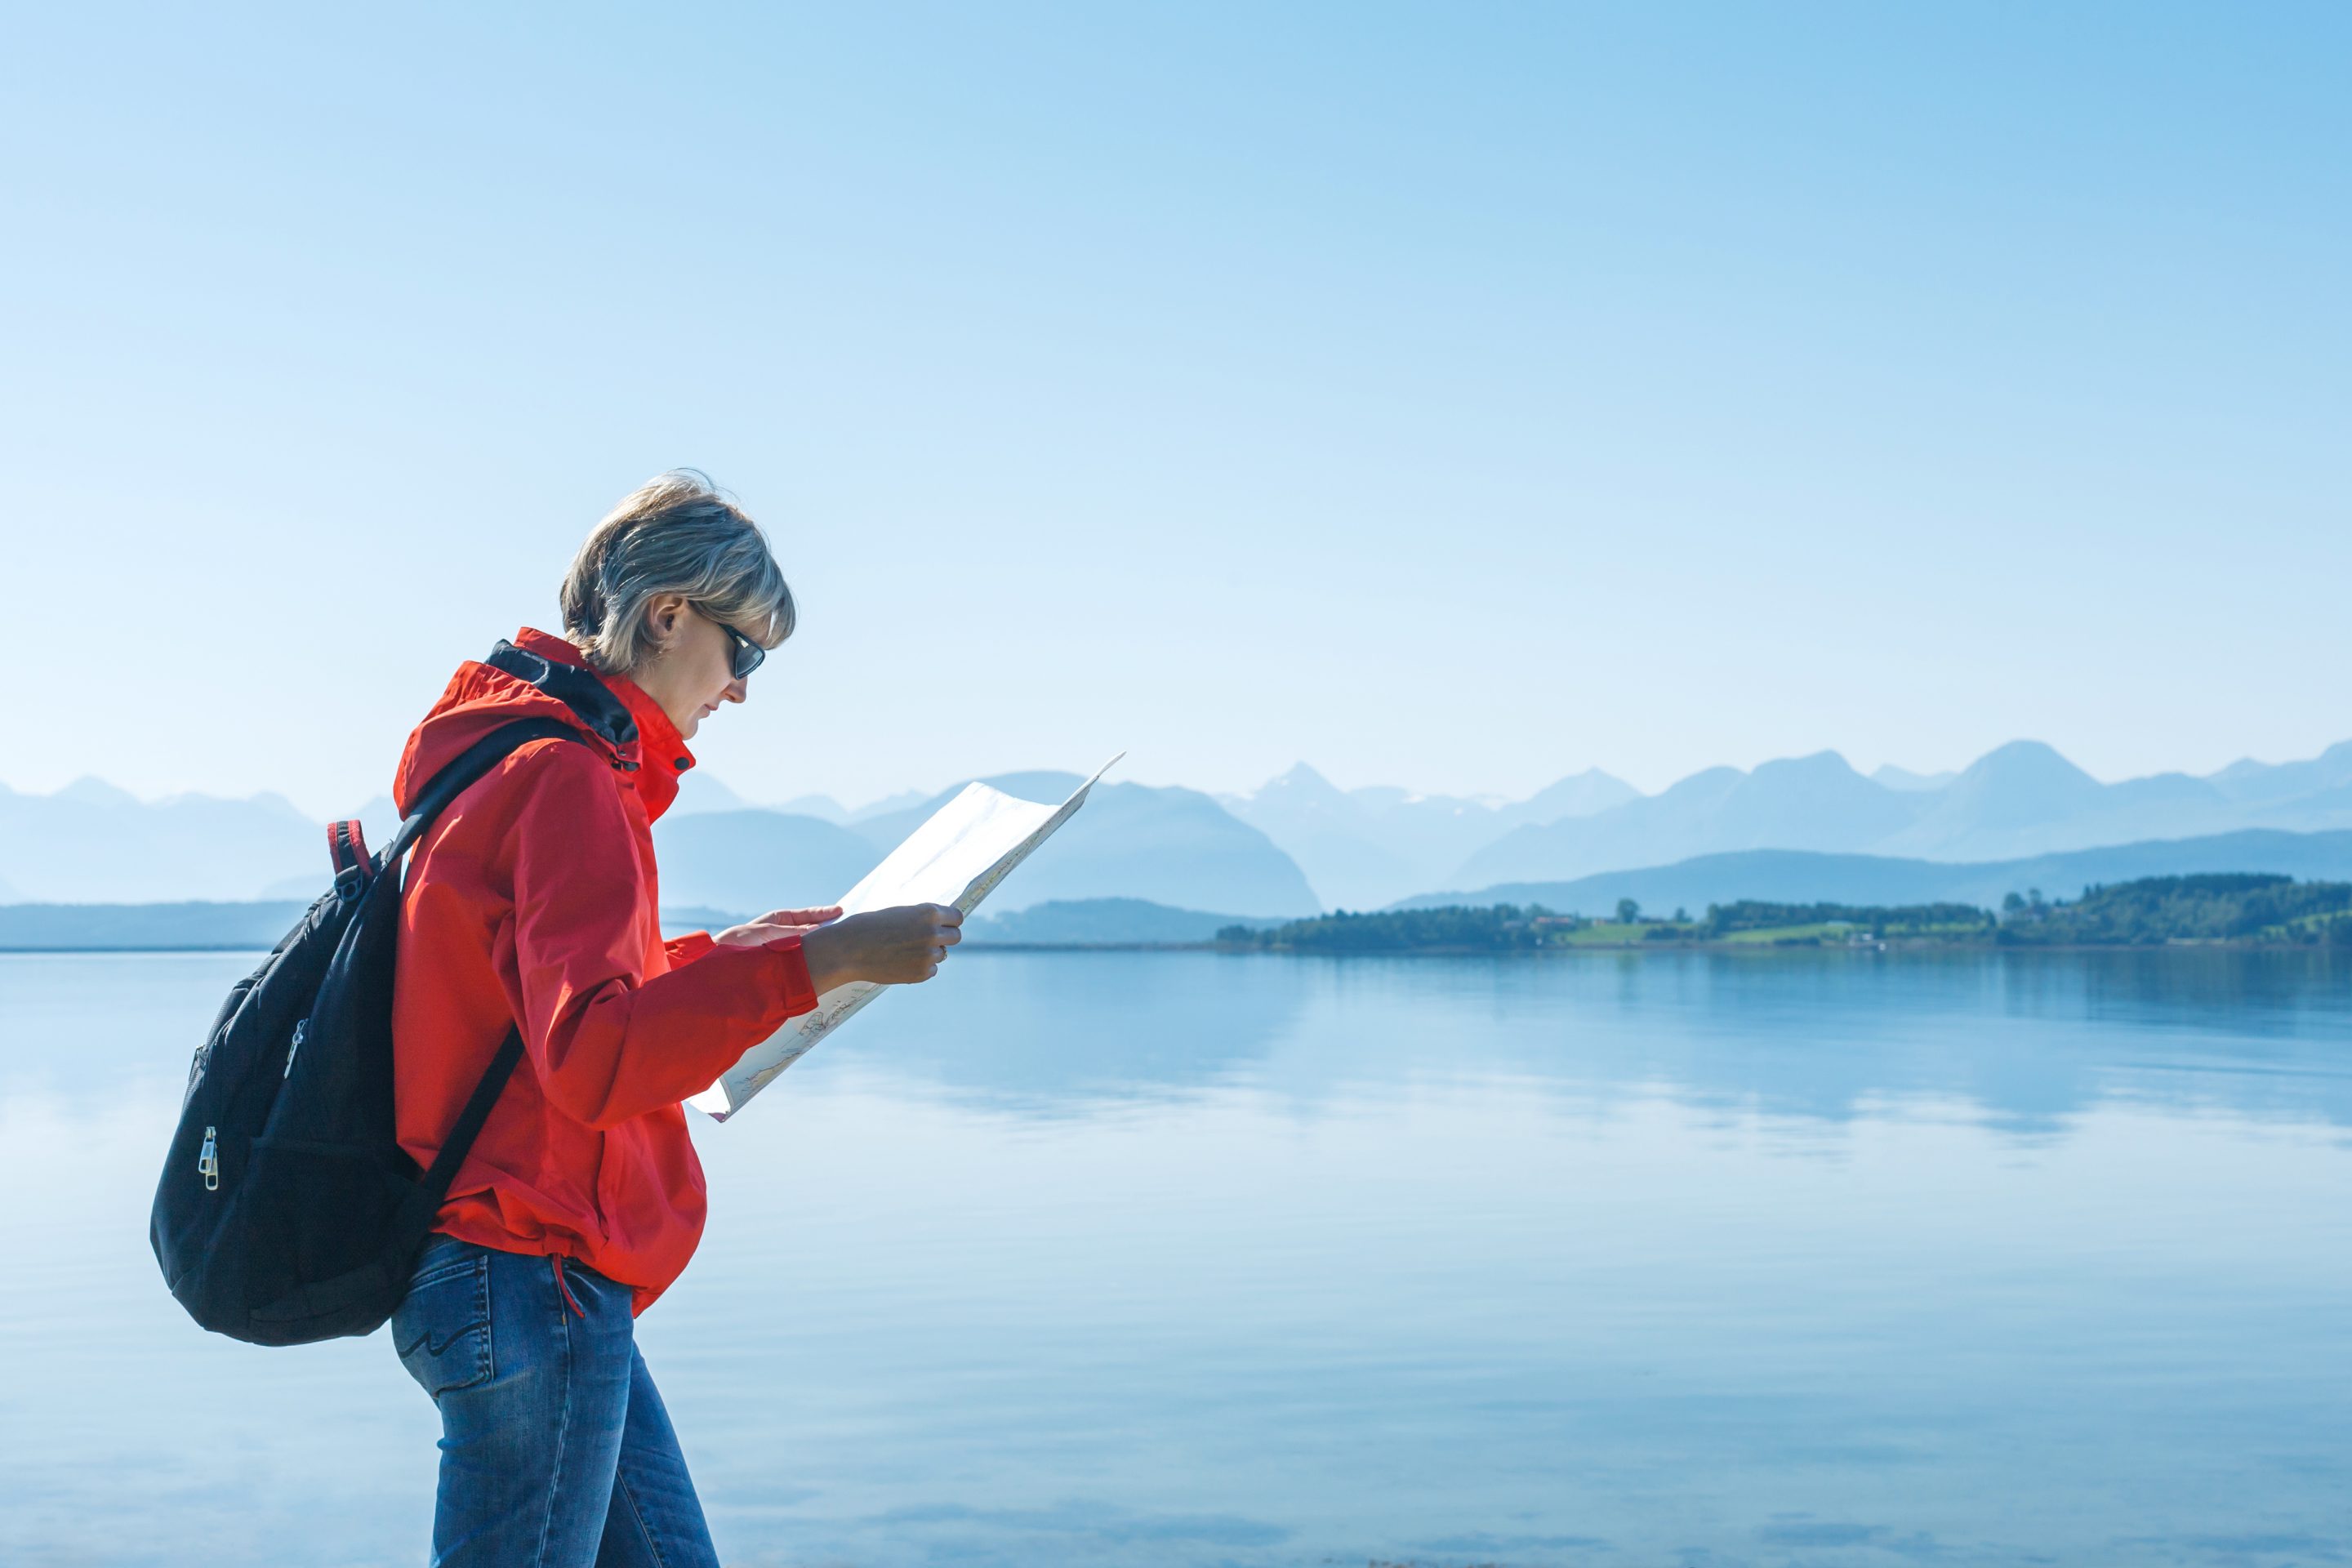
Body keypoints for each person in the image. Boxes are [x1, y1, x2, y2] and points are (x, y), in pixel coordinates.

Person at [385, 470, 960, 1566]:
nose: (740, 688)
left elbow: (533, 1009)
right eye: (744, 651)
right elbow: (596, 1059)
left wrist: (739, 955)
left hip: (499, 1270)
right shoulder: (570, 780)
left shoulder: (497, 759)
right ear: (669, 615)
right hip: (532, 1269)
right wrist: (818, 963)